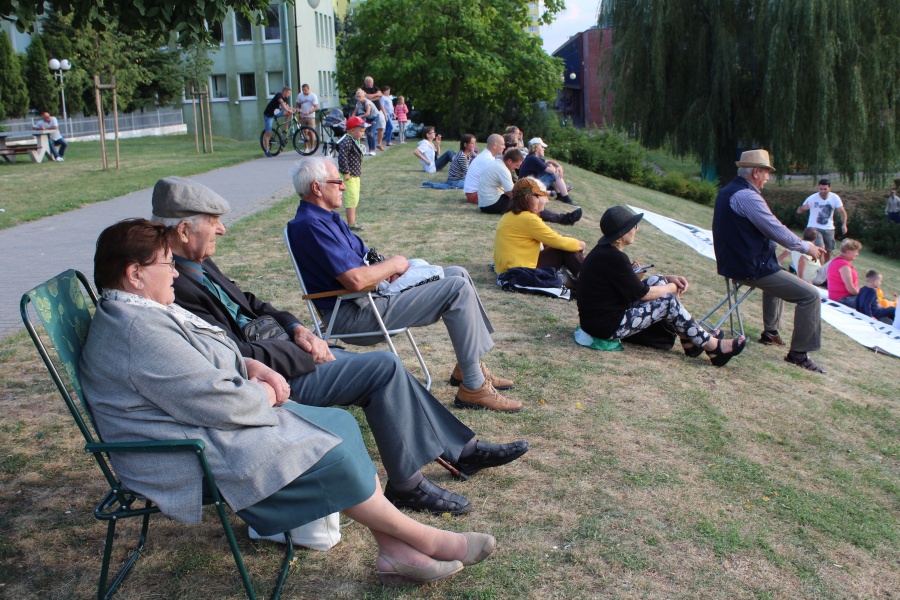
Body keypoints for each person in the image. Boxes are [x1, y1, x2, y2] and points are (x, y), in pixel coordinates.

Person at [80, 218, 501, 586]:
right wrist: (265, 390)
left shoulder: (140, 312)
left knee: (338, 427)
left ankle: (396, 551)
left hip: (202, 423)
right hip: (188, 451)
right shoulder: (139, 331)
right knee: (330, 447)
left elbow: (201, 361)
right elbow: (218, 402)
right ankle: (426, 540)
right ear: (135, 274)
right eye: (166, 263)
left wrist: (249, 365)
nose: (174, 272)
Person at [149, 177, 528, 516]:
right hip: (272, 379)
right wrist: (299, 350)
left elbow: (252, 303)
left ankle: (460, 452)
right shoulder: (171, 285)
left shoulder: (197, 264)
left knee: (386, 368)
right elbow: (231, 354)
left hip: (285, 351)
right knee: (382, 367)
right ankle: (412, 482)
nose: (222, 229)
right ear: (183, 229)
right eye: (214, 221)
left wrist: (298, 328)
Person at [286, 157, 524, 413]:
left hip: (372, 299)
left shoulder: (327, 219)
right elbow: (355, 280)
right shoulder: (311, 225)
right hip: (355, 313)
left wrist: (388, 268)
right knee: (457, 289)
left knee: (458, 273)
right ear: (317, 187)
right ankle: (474, 387)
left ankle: (469, 368)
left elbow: (364, 258)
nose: (344, 186)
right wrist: (395, 264)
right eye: (337, 181)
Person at [578, 206, 746, 365]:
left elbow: (625, 285)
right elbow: (643, 294)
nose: (637, 229)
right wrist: (671, 288)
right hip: (606, 327)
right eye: (634, 226)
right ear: (622, 234)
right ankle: (713, 347)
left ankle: (689, 341)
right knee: (668, 302)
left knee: (658, 280)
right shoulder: (614, 257)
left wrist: (666, 279)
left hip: (599, 320)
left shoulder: (604, 252)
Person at [712, 149, 827, 373]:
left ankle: (770, 332)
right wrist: (806, 247)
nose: (768, 177)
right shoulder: (747, 196)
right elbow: (775, 228)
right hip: (748, 268)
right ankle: (799, 354)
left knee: (776, 271)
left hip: (734, 263)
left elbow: (762, 229)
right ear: (756, 172)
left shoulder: (728, 190)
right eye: (766, 172)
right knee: (811, 295)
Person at [494, 178, 586, 283]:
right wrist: (581, 244)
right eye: (539, 196)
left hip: (507, 268)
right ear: (528, 197)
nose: (544, 200)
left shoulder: (510, 214)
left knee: (561, 246)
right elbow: (558, 241)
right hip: (519, 271)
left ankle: (584, 278)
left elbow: (548, 239)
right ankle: (589, 281)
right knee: (564, 249)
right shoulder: (528, 218)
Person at [479, 148, 582, 226]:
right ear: (509, 161)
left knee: (528, 201)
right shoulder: (502, 169)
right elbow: (513, 193)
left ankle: (561, 217)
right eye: (517, 165)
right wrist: (531, 198)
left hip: (486, 202)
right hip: (491, 204)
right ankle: (563, 218)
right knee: (528, 203)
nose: (517, 168)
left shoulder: (497, 163)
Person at [797, 178, 848, 263]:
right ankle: (819, 267)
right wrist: (803, 208)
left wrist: (844, 224)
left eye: (825, 189)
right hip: (814, 227)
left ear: (830, 188)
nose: (823, 191)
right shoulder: (812, 198)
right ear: (818, 188)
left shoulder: (834, 198)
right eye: (821, 189)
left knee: (828, 251)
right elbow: (799, 211)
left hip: (829, 228)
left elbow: (842, 212)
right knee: (821, 248)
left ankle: (825, 268)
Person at [518, 138, 574, 204]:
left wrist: (559, 166)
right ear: (536, 147)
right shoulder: (533, 158)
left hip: (526, 187)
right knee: (555, 173)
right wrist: (554, 168)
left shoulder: (531, 157)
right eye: (542, 147)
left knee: (552, 171)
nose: (544, 149)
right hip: (527, 190)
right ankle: (566, 198)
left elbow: (550, 161)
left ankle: (560, 195)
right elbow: (552, 171)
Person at [338, 116, 369, 231]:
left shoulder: (354, 140)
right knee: (351, 199)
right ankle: (351, 224)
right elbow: (342, 157)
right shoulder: (347, 141)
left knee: (355, 198)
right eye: (361, 131)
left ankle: (353, 222)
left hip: (355, 175)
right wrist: (346, 172)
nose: (363, 134)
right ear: (352, 130)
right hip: (349, 176)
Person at [464, 134, 505, 204]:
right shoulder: (488, 159)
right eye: (502, 144)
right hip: (475, 195)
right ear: (495, 146)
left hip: (472, 193)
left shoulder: (485, 156)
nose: (504, 147)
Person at [826, 238, 862, 307]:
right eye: (856, 252)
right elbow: (850, 289)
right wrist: (862, 295)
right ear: (848, 252)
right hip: (843, 298)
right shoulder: (843, 264)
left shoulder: (839, 261)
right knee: (870, 305)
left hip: (843, 297)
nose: (857, 254)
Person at [262, 86, 293, 157]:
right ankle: (267, 151)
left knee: (289, 113)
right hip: (269, 115)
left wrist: (296, 109)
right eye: (288, 93)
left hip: (276, 113)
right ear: (284, 92)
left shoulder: (285, 98)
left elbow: (287, 107)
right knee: (268, 133)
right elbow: (282, 103)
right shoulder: (279, 95)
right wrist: (288, 110)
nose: (289, 95)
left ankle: (285, 129)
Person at [362, 77, 387, 151]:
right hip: (370, 112)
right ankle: (371, 146)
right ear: (366, 83)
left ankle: (379, 144)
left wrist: (371, 98)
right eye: (370, 82)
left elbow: (380, 95)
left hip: (378, 110)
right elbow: (366, 96)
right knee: (370, 130)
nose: (371, 83)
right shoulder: (363, 89)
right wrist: (375, 95)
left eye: (372, 82)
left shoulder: (375, 87)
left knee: (381, 127)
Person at [354, 88, 379, 156]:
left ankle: (373, 150)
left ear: (363, 96)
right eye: (357, 97)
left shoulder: (367, 102)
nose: (358, 98)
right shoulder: (358, 104)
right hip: (368, 118)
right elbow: (354, 113)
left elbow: (368, 113)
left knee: (371, 133)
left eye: (359, 97)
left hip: (375, 117)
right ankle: (370, 150)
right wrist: (352, 118)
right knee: (367, 133)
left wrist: (359, 116)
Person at [294, 83, 318, 153]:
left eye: (305, 90)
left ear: (308, 89)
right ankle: (306, 147)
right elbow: (297, 105)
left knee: (311, 132)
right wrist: (299, 113)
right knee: (305, 132)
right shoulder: (300, 96)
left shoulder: (313, 96)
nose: (304, 92)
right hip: (303, 116)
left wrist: (310, 112)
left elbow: (316, 107)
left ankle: (312, 147)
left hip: (311, 116)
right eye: (303, 90)